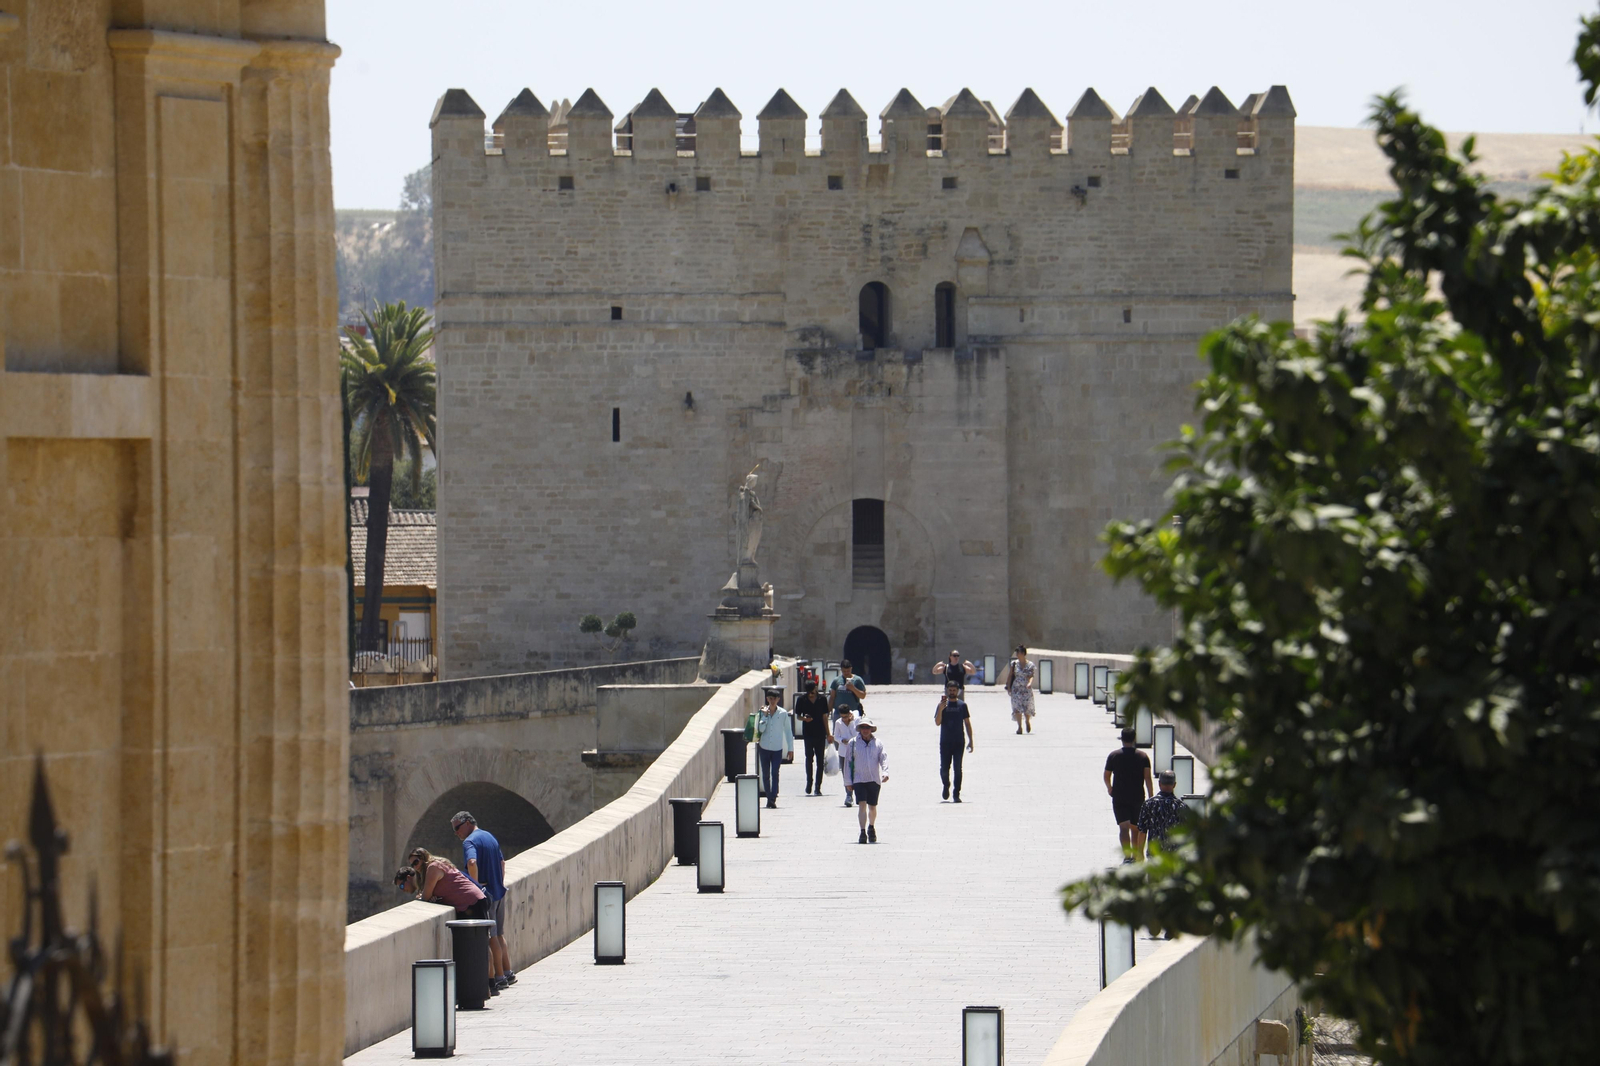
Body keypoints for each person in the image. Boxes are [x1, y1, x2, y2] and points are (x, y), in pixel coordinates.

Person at [453, 810, 513, 991]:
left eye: (457, 828)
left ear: (467, 823)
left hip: (487, 895)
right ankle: (508, 972)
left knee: (491, 937)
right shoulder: (490, 837)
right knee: (500, 934)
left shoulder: (470, 841)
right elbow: (502, 863)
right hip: (499, 891)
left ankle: (499, 977)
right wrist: (498, 883)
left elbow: (472, 862)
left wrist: (476, 886)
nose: (456, 833)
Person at [1103, 728, 1154, 862]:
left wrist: (1110, 788)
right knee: (1135, 827)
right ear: (1134, 739)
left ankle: (1127, 856)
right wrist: (1151, 795)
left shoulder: (1114, 755)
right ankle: (1136, 855)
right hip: (1137, 796)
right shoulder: (1143, 757)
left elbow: (1106, 775)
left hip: (1119, 796)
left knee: (1123, 827)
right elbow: (1147, 777)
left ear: (1122, 738)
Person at [843, 718, 889, 843]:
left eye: (867, 728)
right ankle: (862, 831)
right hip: (859, 779)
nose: (865, 730)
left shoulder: (878, 743)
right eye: (863, 728)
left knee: (872, 807)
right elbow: (848, 762)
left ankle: (871, 827)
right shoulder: (853, 743)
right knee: (862, 804)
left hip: (874, 779)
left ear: (871, 729)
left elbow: (883, 758)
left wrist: (885, 772)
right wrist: (847, 781)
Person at [935, 680, 974, 802]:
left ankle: (956, 793)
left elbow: (967, 723)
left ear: (958, 691)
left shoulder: (962, 705)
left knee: (958, 768)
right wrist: (941, 709)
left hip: (958, 742)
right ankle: (946, 785)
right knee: (944, 769)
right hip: (945, 742)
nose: (952, 692)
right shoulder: (942, 705)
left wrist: (971, 740)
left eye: (954, 690)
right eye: (950, 690)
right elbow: (937, 722)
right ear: (947, 690)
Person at [1136, 771, 1189, 858]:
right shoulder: (1181, 806)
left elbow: (1142, 831)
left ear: (1159, 784)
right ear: (1174, 785)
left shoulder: (1148, 804)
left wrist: (1139, 853)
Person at [754, 687, 791, 808]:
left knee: (775, 772)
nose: (772, 701)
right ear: (767, 699)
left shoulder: (783, 713)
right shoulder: (762, 712)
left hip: (777, 748)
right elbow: (761, 729)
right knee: (765, 774)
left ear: (778, 699)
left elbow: (788, 731)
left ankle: (773, 797)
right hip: (764, 747)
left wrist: (791, 749)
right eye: (770, 699)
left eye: (774, 699)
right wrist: (764, 716)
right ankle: (769, 797)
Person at [795, 680, 831, 796]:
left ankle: (818, 786)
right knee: (809, 758)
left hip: (820, 733)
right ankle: (809, 782)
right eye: (809, 692)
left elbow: (825, 716)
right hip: (808, 733)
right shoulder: (801, 700)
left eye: (813, 692)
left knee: (820, 761)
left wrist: (828, 733)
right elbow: (798, 716)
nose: (811, 694)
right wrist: (805, 719)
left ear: (816, 688)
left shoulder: (822, 699)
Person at [1003, 644, 1037, 734]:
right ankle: (1019, 727)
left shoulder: (1030, 665)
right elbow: (1010, 675)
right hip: (1016, 689)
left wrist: (1029, 683)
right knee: (1017, 708)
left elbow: (1031, 676)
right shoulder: (1014, 664)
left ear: (1022, 653)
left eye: (1018, 652)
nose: (1016, 654)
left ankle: (1027, 721)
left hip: (1026, 689)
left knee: (1027, 708)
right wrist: (1009, 686)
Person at [831, 706, 860, 807]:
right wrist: (842, 740)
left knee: (856, 773)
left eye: (846, 716)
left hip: (855, 751)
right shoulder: (838, 723)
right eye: (843, 717)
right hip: (843, 752)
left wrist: (851, 723)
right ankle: (848, 796)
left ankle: (858, 795)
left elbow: (858, 735)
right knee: (846, 775)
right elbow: (836, 736)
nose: (845, 719)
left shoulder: (856, 720)